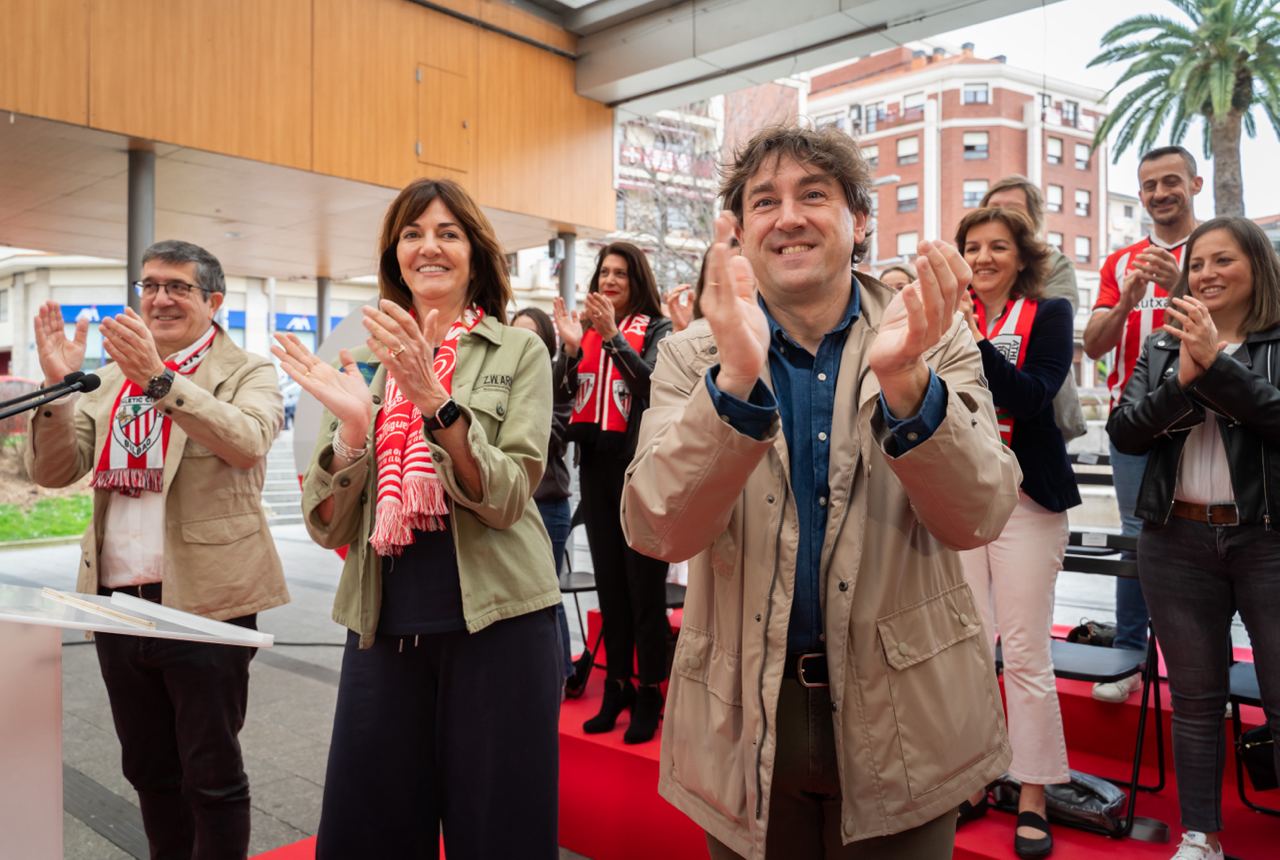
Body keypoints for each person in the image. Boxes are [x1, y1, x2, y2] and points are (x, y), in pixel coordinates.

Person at [621, 123, 1020, 859]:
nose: (790, 215)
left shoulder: (932, 337)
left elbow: (980, 513)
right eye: (764, 200)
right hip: (743, 715)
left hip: (909, 714)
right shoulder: (689, 356)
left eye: (815, 194)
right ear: (739, 230)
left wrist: (907, 385)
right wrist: (734, 384)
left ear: (858, 220)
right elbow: (658, 530)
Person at [280, 178, 563, 858]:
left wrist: (435, 400)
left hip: (501, 624)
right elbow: (326, 526)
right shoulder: (366, 359)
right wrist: (353, 430)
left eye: (447, 233)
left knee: (501, 833)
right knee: (367, 832)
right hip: (385, 626)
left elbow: (508, 496)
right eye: (412, 233)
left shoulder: (518, 351)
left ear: (474, 254)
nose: (428, 247)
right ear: (394, 254)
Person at [26, 239, 288, 859]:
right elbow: (57, 470)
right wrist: (60, 388)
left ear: (214, 301)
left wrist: (160, 379)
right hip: (116, 604)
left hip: (207, 605)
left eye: (177, 286)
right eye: (150, 286)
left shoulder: (248, 370)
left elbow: (248, 440)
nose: (160, 298)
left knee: (212, 777)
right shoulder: (109, 378)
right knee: (148, 771)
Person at [1107, 217, 1280, 860]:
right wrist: (1182, 380)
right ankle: (1199, 836)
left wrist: (1215, 370)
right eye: (1197, 263)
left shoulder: (1276, 339)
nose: (1204, 273)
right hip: (1174, 540)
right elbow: (1124, 432)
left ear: (1257, 266)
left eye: (1221, 260)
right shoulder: (1159, 347)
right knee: (1196, 699)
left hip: (1266, 540)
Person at [955, 207, 1079, 858]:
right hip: (962, 498)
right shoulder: (946, 315)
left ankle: (1032, 790)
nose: (982, 257)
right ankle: (975, 778)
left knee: (1026, 653)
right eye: (971, 247)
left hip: (1029, 500)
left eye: (996, 246)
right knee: (969, 648)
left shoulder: (1049, 314)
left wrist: (969, 341)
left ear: (1021, 256)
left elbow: (1034, 396)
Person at [1084, 146, 1202, 703]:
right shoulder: (1119, 261)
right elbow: (1093, 345)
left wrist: (1181, 281)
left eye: (1171, 181)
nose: (1160, 193)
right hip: (1131, 422)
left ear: (1195, 184)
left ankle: (1205, 669)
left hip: (1203, 417)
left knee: (1209, 537)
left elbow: (1242, 321)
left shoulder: (1214, 249)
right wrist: (1129, 294)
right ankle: (1130, 657)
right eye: (1150, 184)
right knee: (1137, 539)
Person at [552, 241, 673, 744]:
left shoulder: (659, 330)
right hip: (597, 472)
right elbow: (562, 401)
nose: (611, 280)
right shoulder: (585, 333)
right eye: (605, 272)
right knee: (611, 590)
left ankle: (650, 692)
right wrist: (571, 351)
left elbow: (655, 389)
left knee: (644, 592)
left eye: (621, 273)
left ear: (637, 280)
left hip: (641, 475)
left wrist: (614, 338)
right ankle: (617, 686)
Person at [982, 175, 1087, 442]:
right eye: (993, 207)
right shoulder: (972, 263)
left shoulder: (1056, 264)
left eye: (1013, 209)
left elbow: (1054, 323)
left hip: (1040, 410)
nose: (1001, 214)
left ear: (1034, 219)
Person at [512, 305, 575, 682]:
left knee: (547, 597)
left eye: (532, 336)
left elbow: (551, 437)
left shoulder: (552, 378)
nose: (523, 343)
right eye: (516, 334)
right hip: (514, 507)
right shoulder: (502, 377)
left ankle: (561, 674)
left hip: (547, 505)